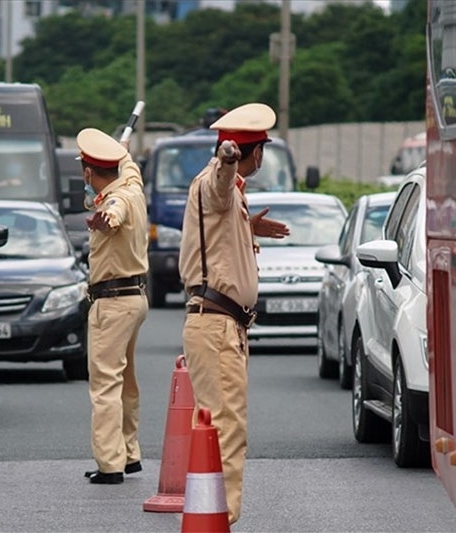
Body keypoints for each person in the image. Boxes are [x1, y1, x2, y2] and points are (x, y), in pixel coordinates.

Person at [178, 102, 290, 524]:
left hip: (221, 325)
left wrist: (250, 226)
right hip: (217, 324)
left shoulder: (231, 197)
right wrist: (227, 159)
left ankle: (210, 514)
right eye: (260, 150)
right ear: (254, 152)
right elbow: (219, 186)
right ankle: (218, 518)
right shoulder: (217, 180)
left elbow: (221, 214)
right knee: (226, 427)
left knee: (214, 424)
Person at [77, 127, 149, 485]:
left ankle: (110, 464)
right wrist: (122, 151)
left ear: (89, 173)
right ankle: (129, 452)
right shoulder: (132, 186)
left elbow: (113, 213)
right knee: (126, 382)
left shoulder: (115, 200)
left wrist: (106, 218)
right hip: (135, 298)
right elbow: (130, 167)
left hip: (113, 301)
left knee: (105, 384)